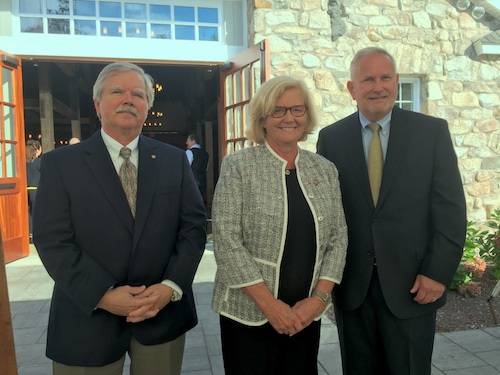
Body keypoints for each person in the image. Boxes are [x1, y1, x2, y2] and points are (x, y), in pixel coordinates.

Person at [33, 62, 207, 375]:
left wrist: (170, 286)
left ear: (147, 107)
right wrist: (102, 295)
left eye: (138, 94)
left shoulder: (173, 160)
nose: (128, 99)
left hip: (160, 313)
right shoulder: (61, 164)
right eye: (118, 91)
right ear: (98, 104)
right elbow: (52, 239)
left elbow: (193, 229)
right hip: (87, 316)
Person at [317, 47, 467, 374]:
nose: (378, 86)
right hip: (353, 289)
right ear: (351, 88)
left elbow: (451, 210)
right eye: (368, 79)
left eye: (386, 77)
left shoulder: (431, 133)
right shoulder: (331, 139)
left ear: (397, 82)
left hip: (414, 285)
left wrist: (437, 273)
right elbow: (326, 215)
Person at [212, 76, 347, 375]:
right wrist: (271, 307)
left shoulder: (324, 170)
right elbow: (226, 240)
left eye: (297, 110)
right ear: (262, 118)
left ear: (307, 116)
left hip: (304, 314)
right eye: (278, 110)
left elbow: (338, 240)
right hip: (248, 314)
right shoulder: (238, 166)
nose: (289, 118)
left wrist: (318, 300)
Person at [26, 139, 42, 239]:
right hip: (37, 189)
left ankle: (30, 234)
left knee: (30, 214)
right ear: (38, 150)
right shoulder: (40, 161)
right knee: (39, 213)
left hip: (26, 189)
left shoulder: (25, 162)